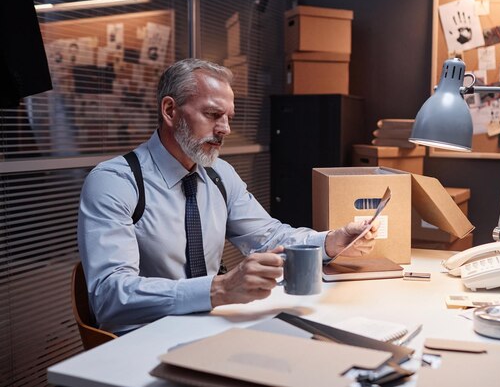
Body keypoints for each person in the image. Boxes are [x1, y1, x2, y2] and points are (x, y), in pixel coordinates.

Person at [77, 59, 379, 335]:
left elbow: (269, 236)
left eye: (228, 117)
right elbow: (110, 295)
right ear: (170, 111)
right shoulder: (115, 182)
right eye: (212, 115)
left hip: (210, 326)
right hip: (143, 338)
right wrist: (219, 288)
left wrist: (331, 241)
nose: (225, 129)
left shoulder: (219, 174)